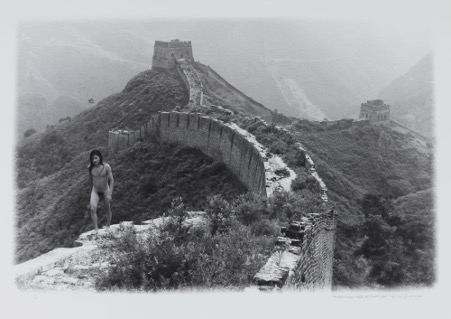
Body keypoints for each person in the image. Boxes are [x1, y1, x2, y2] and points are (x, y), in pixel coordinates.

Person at [88, 150, 114, 233]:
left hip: (105, 190)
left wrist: (110, 194)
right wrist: (91, 192)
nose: (94, 160)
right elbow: (90, 180)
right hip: (95, 190)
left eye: (96, 158)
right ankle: (96, 230)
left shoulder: (106, 167)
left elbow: (111, 180)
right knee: (92, 208)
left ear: (100, 158)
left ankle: (108, 226)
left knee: (107, 209)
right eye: (92, 158)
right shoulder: (90, 168)